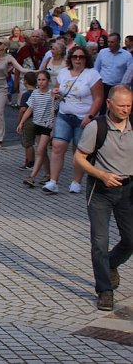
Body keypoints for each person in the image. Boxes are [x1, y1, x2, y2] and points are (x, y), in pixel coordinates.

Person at [73, 85, 133, 311]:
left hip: (127, 191)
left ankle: (110, 263)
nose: (125, 110)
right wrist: (102, 175)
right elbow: (79, 158)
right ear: (109, 104)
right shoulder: (96, 127)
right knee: (100, 242)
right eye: (121, 106)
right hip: (100, 191)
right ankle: (105, 291)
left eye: (129, 106)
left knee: (130, 240)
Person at [42, 46, 104, 194]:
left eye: (81, 57)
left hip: (83, 117)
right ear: (70, 58)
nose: (78, 59)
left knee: (79, 151)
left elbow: (99, 98)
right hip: (64, 114)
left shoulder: (92, 74)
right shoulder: (64, 72)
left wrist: (90, 116)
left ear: (86, 59)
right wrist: (55, 93)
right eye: (75, 56)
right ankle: (53, 182)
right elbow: (57, 90)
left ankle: (76, 181)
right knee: (57, 146)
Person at [0, 38, 29, 148]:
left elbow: (21, 69)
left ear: (5, 46)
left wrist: (37, 71)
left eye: (0, 43)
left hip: (2, 86)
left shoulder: (9, 58)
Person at [19, 71, 55, 187]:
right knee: (42, 152)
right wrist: (21, 122)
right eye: (39, 80)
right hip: (37, 124)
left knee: (40, 150)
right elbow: (30, 109)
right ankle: (48, 174)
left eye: (43, 80)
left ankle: (32, 176)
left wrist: (53, 127)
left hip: (47, 125)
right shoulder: (35, 93)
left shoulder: (51, 94)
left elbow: (56, 109)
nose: (41, 82)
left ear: (48, 81)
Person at [94, 33, 133, 114]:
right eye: (108, 42)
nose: (109, 44)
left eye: (112, 42)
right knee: (102, 108)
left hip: (117, 86)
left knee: (115, 108)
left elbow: (129, 73)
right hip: (103, 85)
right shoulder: (102, 52)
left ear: (118, 42)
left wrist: (123, 86)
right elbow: (96, 68)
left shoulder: (127, 55)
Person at [15, 72, 38, 172]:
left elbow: (23, 109)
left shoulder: (26, 95)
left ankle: (30, 162)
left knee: (28, 143)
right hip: (38, 119)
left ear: (25, 81)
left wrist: (20, 121)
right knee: (33, 142)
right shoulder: (38, 93)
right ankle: (30, 161)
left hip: (28, 120)